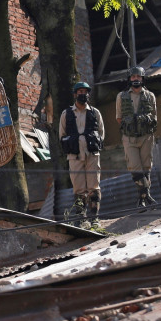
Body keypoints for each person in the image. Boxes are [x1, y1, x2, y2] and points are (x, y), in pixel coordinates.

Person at [60, 81, 105, 226]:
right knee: (78, 188)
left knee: (94, 186)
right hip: (74, 155)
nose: (82, 94)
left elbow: (101, 134)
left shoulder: (95, 112)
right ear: (75, 94)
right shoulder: (66, 114)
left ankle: (94, 218)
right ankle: (81, 218)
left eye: (85, 92)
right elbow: (62, 135)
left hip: (92, 154)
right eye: (79, 92)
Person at [116, 66, 158, 208]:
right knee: (135, 167)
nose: (136, 79)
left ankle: (143, 198)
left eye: (138, 77)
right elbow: (119, 118)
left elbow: (154, 116)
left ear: (142, 79)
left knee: (146, 167)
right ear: (129, 79)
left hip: (146, 136)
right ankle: (146, 196)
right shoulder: (121, 96)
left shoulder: (150, 96)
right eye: (133, 77)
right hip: (129, 137)